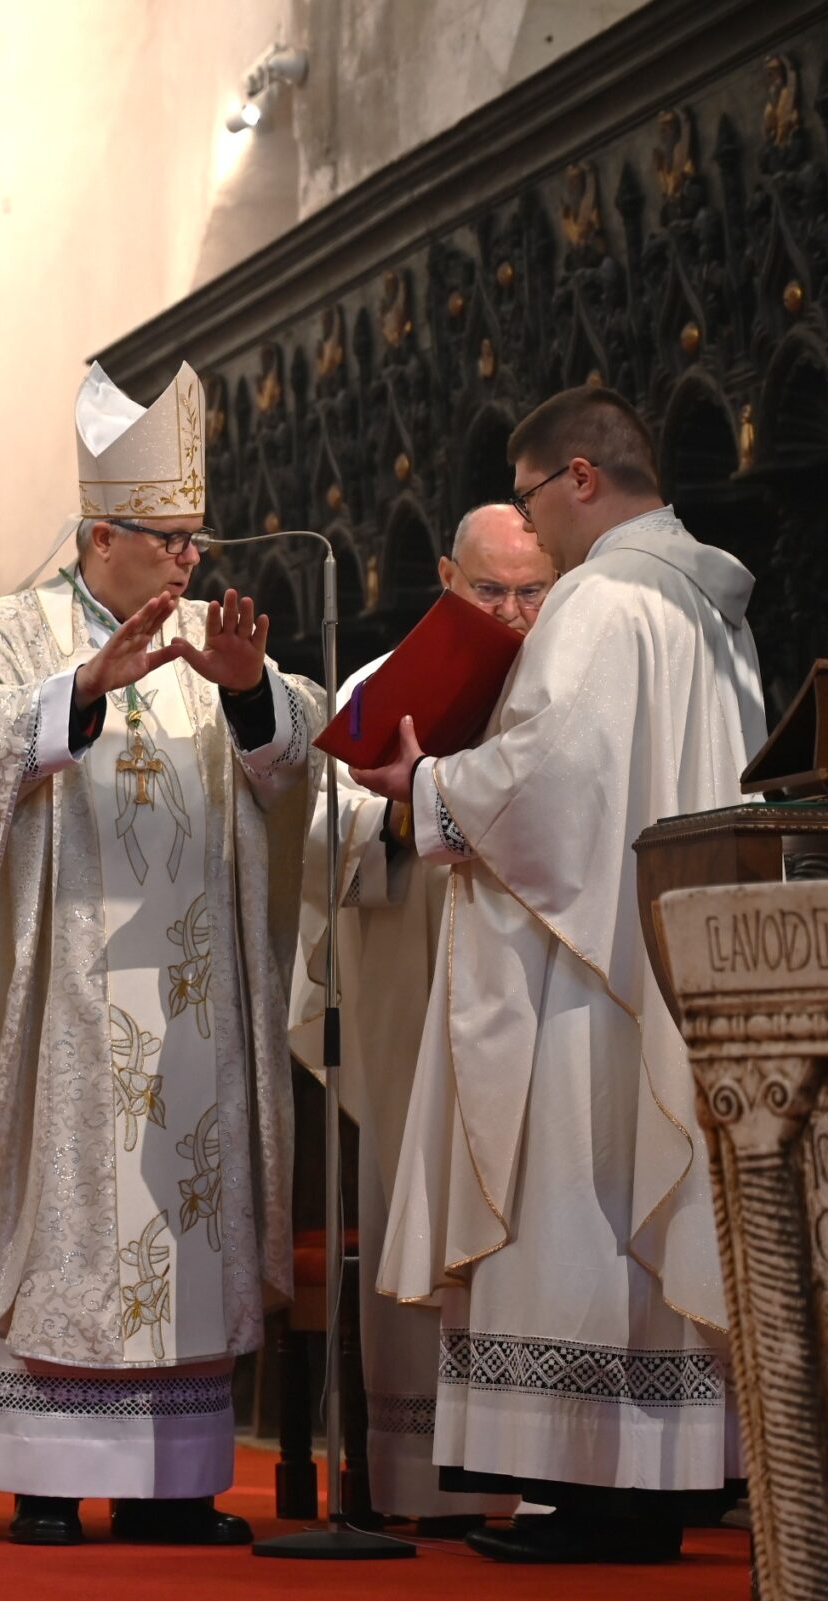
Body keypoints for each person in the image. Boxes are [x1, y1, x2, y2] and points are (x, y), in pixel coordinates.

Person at [0, 361, 317, 1546]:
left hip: (186, 993)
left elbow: (297, 759)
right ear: (98, 534)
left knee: (177, 1215)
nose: (189, 560)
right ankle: (41, 1470)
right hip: (63, 993)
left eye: (195, 538)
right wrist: (83, 685)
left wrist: (244, 697)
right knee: (68, 1207)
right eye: (168, 539)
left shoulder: (212, 639)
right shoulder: (7, 630)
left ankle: (171, 1482)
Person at [350, 387, 765, 1564]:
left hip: (580, 974)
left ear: (579, 476)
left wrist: (426, 787)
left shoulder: (599, 600)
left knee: (573, 1199)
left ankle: (586, 1491)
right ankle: (642, 1486)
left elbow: (546, 779)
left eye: (532, 504)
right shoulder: (707, 602)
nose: (532, 537)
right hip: (665, 949)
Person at [286, 502, 552, 1531]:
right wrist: (405, 807)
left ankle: (538, 1462)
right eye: (490, 590)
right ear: (446, 577)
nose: (514, 613)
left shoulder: (562, 682)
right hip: (412, 1002)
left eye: (532, 590)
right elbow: (318, 839)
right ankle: (416, 1472)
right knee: (417, 1197)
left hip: (529, 1001)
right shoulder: (377, 688)